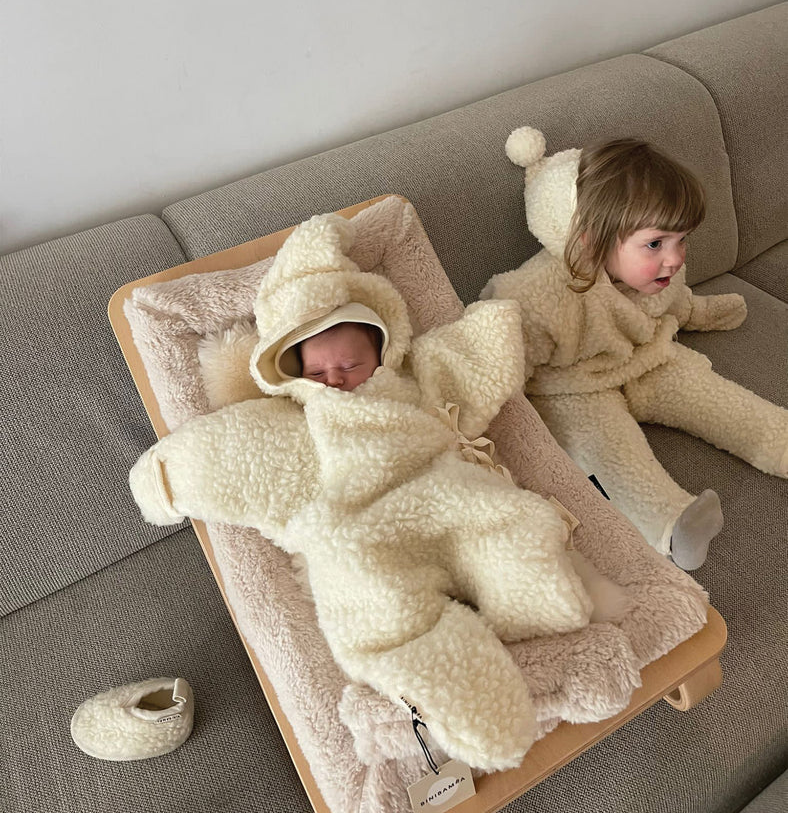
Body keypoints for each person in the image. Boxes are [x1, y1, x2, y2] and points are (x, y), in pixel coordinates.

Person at [129, 211, 627, 773]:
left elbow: (478, 351)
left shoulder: (415, 384)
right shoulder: (292, 427)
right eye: (319, 372)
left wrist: (509, 324)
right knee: (370, 591)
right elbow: (225, 454)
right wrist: (161, 480)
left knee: (510, 528)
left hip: (445, 495)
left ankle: (532, 612)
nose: (336, 378)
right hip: (359, 528)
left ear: (382, 352)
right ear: (291, 375)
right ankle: (448, 672)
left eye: (350, 363)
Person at [483, 129, 788, 571]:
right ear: (591, 241)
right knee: (610, 454)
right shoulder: (538, 295)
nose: (677, 257)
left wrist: (704, 313)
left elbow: (674, 306)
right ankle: (672, 525)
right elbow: (502, 356)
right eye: (657, 243)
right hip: (573, 391)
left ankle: (780, 442)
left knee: (723, 401)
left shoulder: (661, 273)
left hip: (650, 361)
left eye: (682, 240)